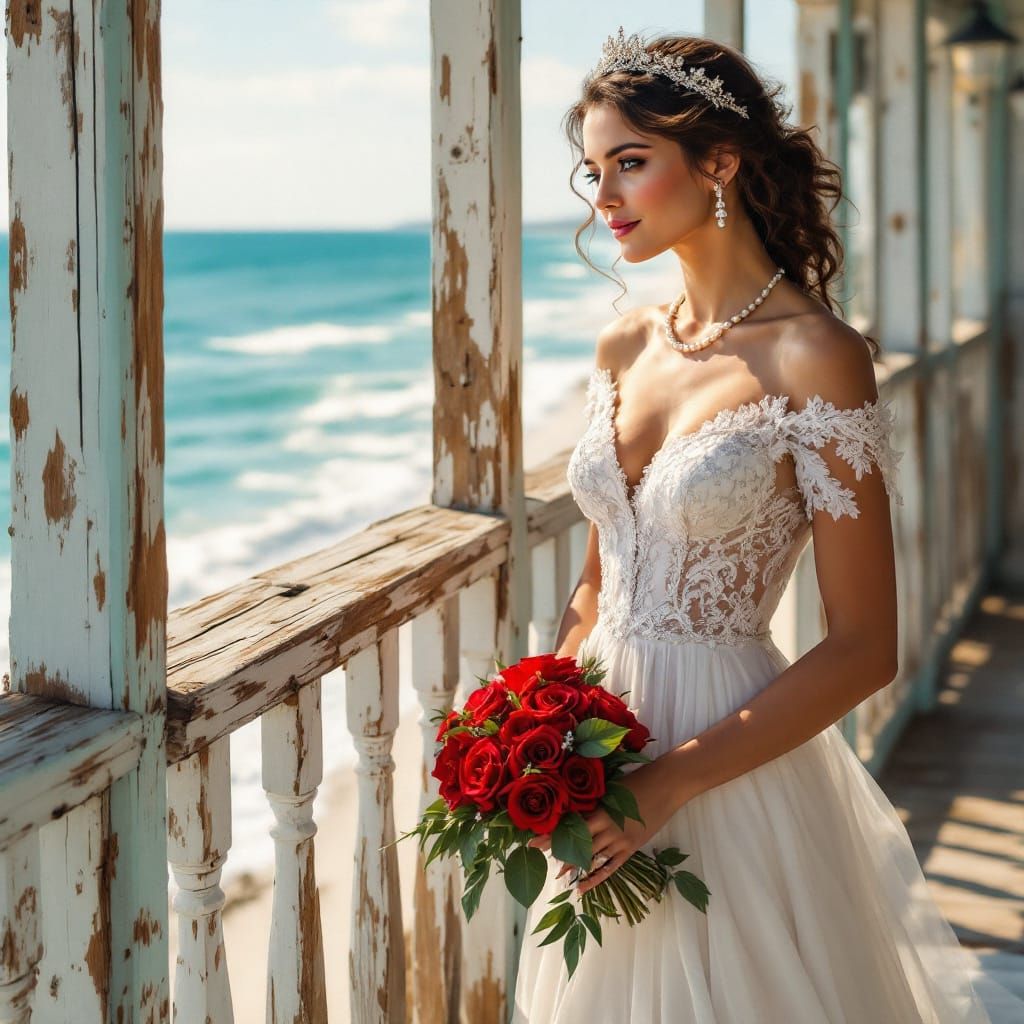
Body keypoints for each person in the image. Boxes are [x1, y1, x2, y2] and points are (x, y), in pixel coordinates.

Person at [510, 27, 1014, 1023]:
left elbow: (867, 646)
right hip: (598, 748)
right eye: (592, 170)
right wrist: (537, 727)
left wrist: (670, 784)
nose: (602, 196)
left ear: (721, 162)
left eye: (630, 163)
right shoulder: (622, 344)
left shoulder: (815, 354)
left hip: (721, 751)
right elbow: (599, 580)